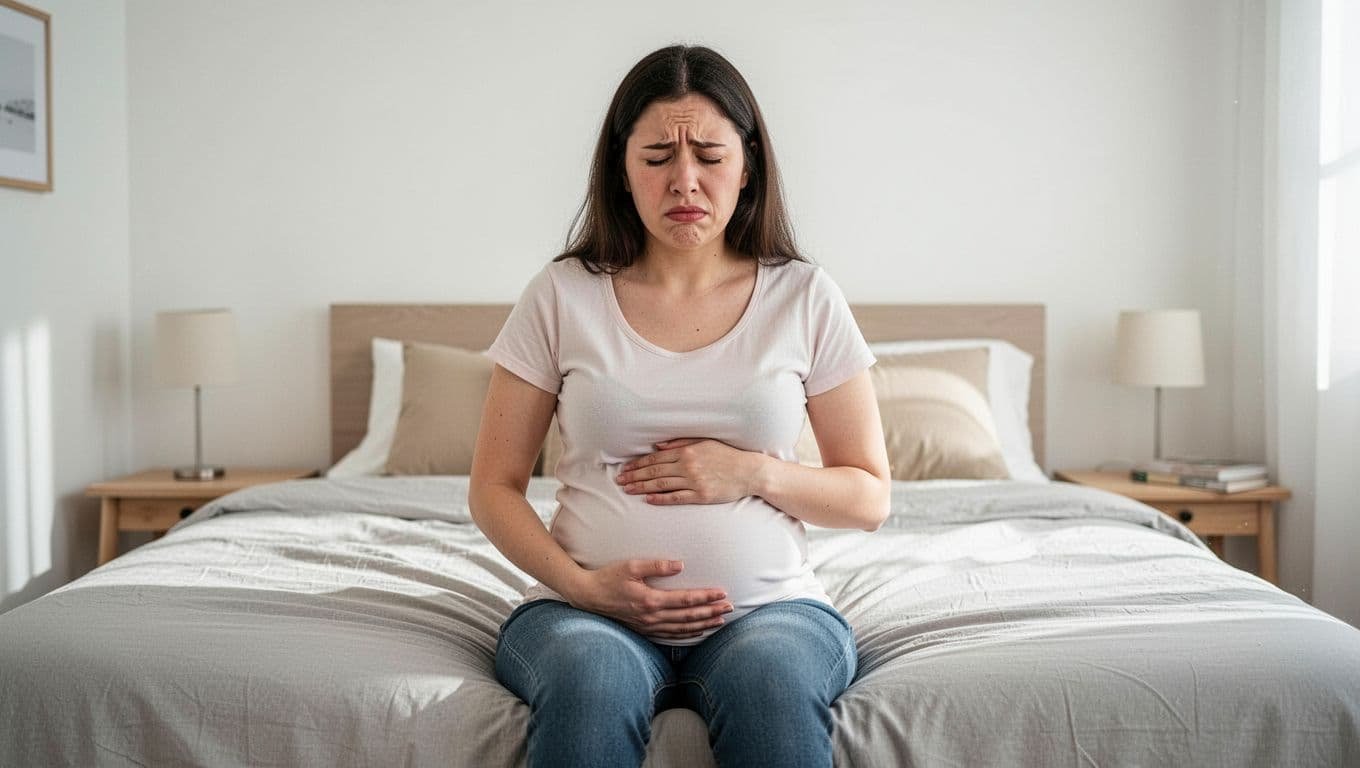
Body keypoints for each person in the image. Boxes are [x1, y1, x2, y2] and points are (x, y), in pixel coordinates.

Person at [469, 44, 891, 768]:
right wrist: (582, 586)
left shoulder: (805, 296)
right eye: (658, 154)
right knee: (592, 684)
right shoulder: (562, 294)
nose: (684, 180)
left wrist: (750, 473)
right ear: (621, 167)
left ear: (749, 165)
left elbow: (867, 496)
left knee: (772, 688)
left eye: (710, 154)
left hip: (771, 613)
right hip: (584, 612)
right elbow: (492, 488)